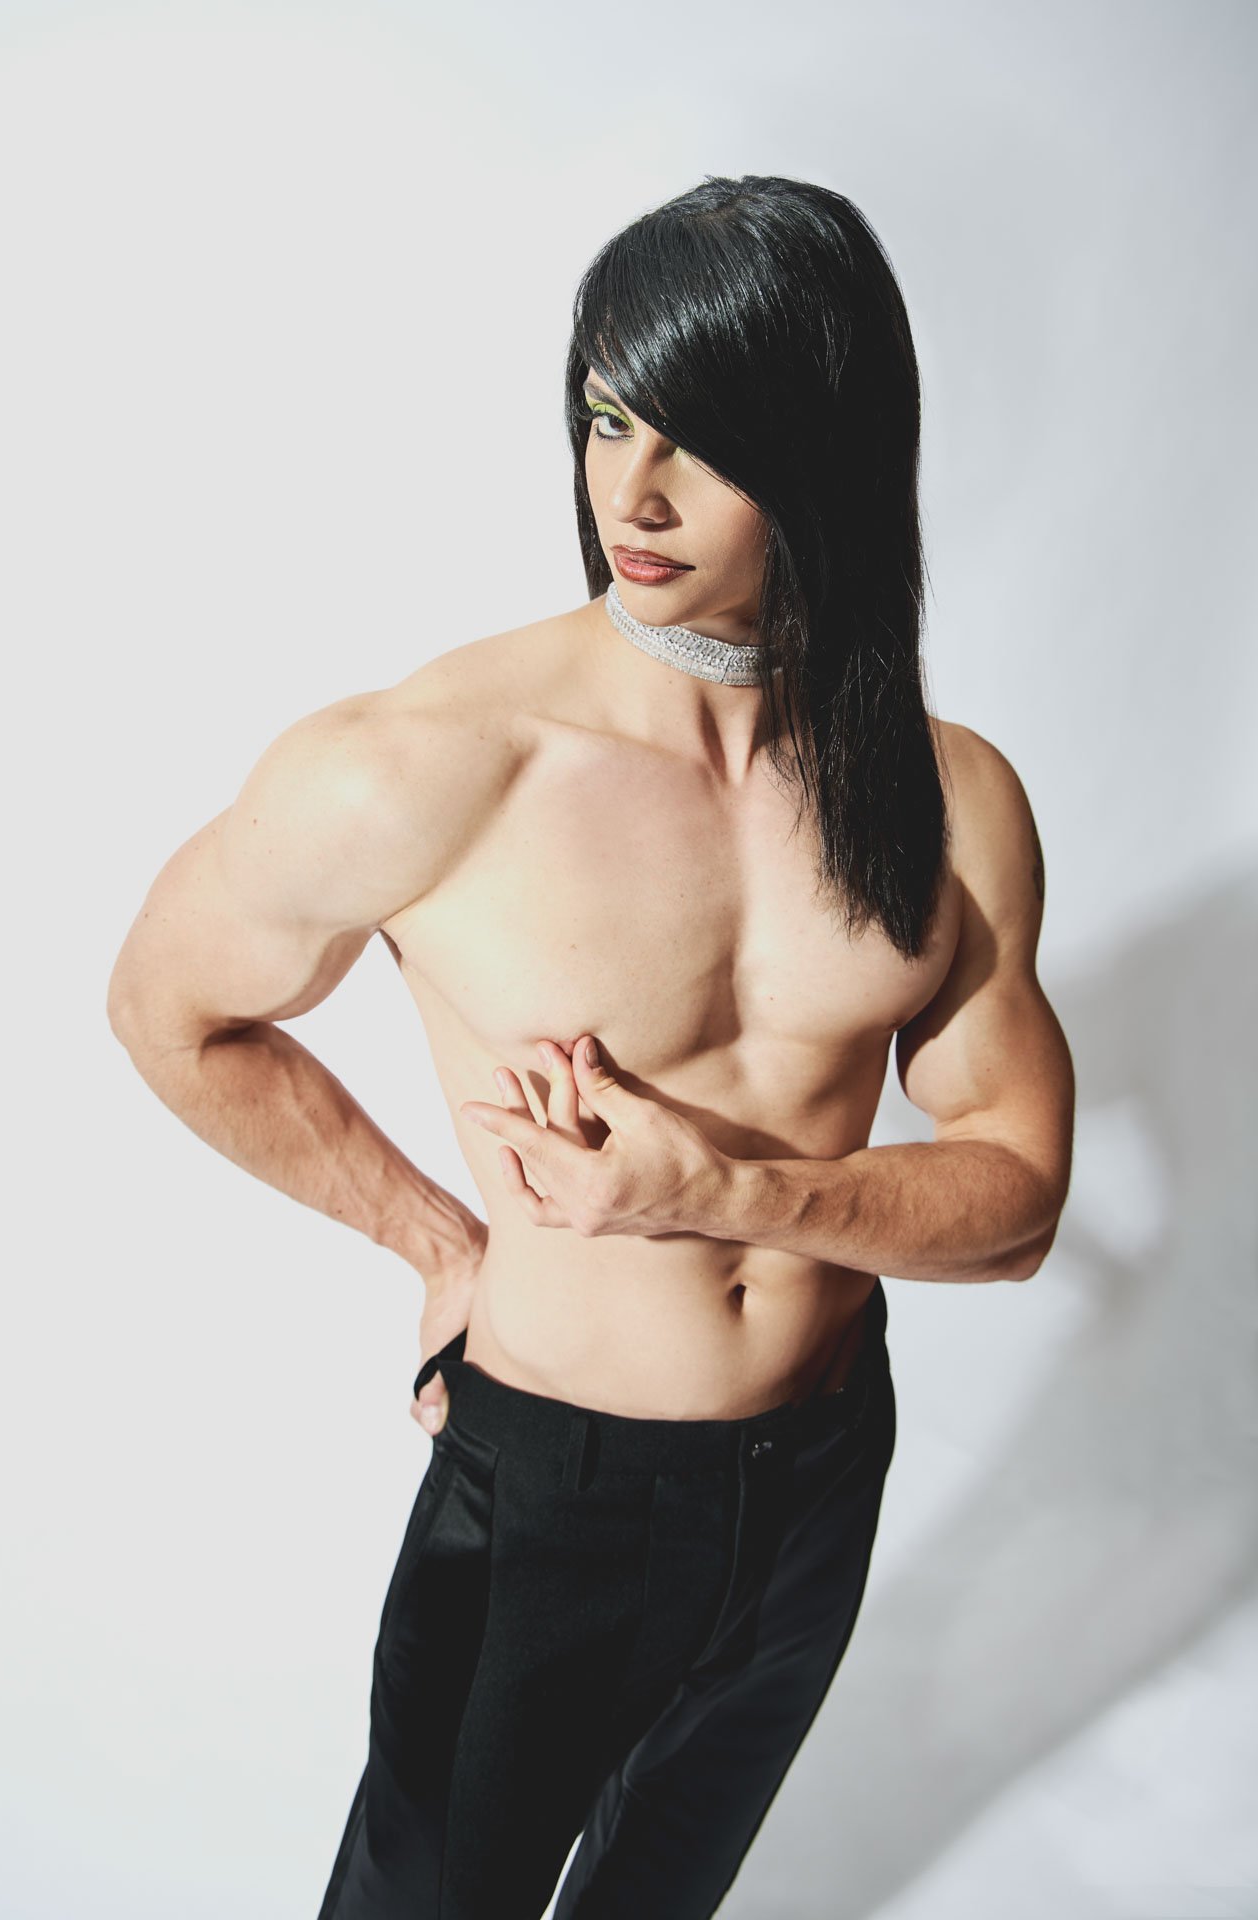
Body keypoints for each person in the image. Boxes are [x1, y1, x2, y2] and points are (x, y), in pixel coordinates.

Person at [106, 173, 1074, 1919]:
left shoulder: (946, 800)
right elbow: (168, 1010)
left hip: (818, 1474)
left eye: (704, 441)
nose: (631, 491)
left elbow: (1014, 1208)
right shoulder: (422, 766)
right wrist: (436, 1243)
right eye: (609, 418)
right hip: (552, 1480)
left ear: (829, 451)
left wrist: (723, 1191)